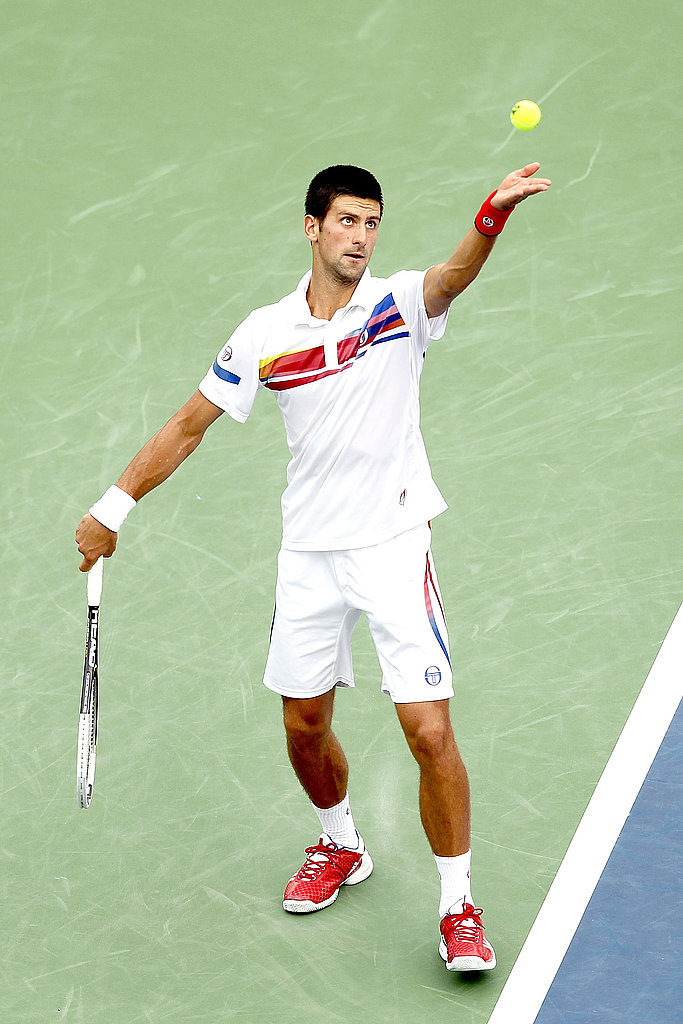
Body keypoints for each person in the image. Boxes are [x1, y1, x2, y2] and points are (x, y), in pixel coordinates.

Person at [76, 161, 551, 972]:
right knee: (302, 725)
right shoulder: (265, 332)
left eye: (371, 224)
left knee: (428, 733)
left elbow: (453, 276)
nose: (361, 238)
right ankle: (341, 844)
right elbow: (189, 425)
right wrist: (111, 508)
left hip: (394, 545)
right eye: (346, 223)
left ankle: (456, 904)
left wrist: (489, 218)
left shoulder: (399, 304)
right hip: (309, 556)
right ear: (312, 227)